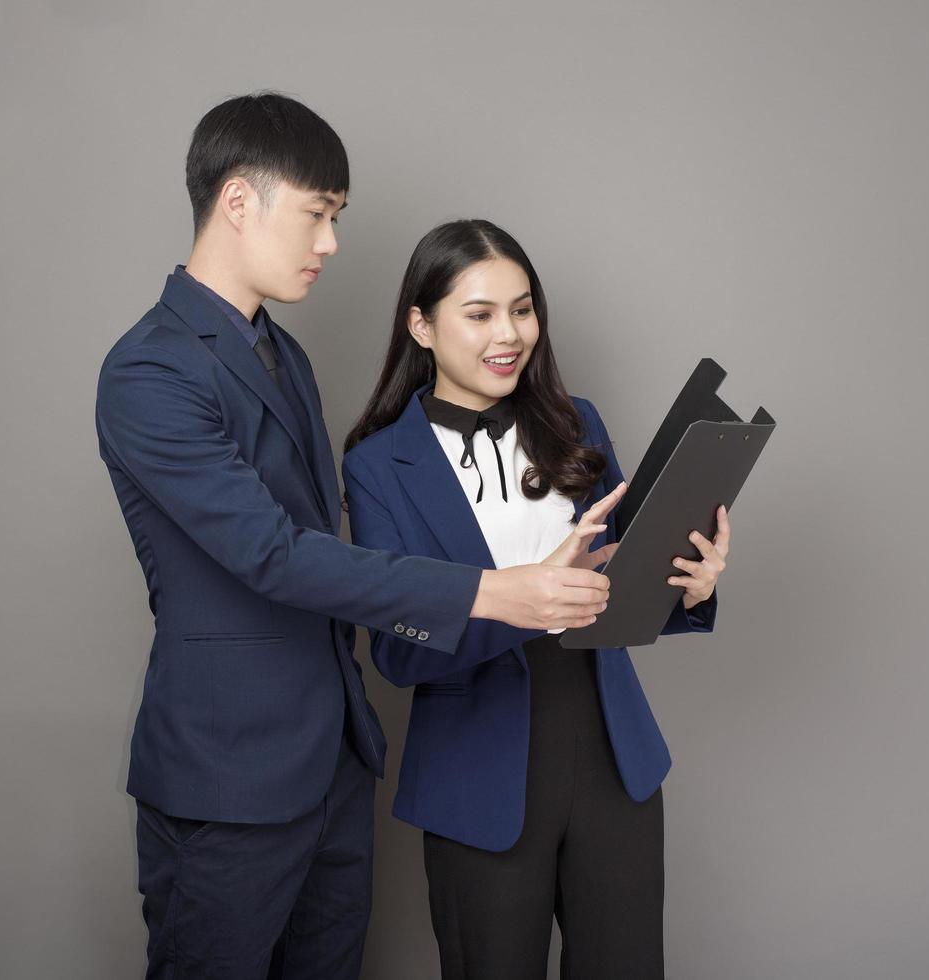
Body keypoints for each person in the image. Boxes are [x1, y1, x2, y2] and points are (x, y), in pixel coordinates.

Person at [95, 96, 613, 980]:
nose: (331, 243)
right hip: (228, 777)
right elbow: (273, 555)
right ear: (238, 202)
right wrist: (496, 591)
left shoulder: (282, 356)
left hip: (332, 764)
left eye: (337, 218)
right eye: (317, 215)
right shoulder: (148, 370)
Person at [341, 219, 732, 979]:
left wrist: (691, 583)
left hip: (612, 759)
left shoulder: (576, 422)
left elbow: (624, 581)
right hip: (474, 776)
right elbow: (393, 650)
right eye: (480, 313)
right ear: (420, 325)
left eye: (522, 309)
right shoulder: (378, 464)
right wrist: (521, 601)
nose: (509, 334)